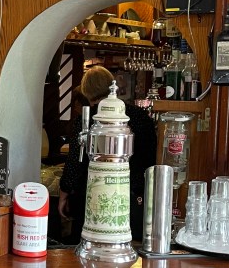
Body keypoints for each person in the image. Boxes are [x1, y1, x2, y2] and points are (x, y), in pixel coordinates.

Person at [58, 66, 157, 243]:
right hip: (135, 198)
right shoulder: (141, 117)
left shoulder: (87, 120)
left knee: (90, 244)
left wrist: (64, 193)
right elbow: (150, 159)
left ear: (86, 91)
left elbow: (75, 162)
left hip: (93, 197)